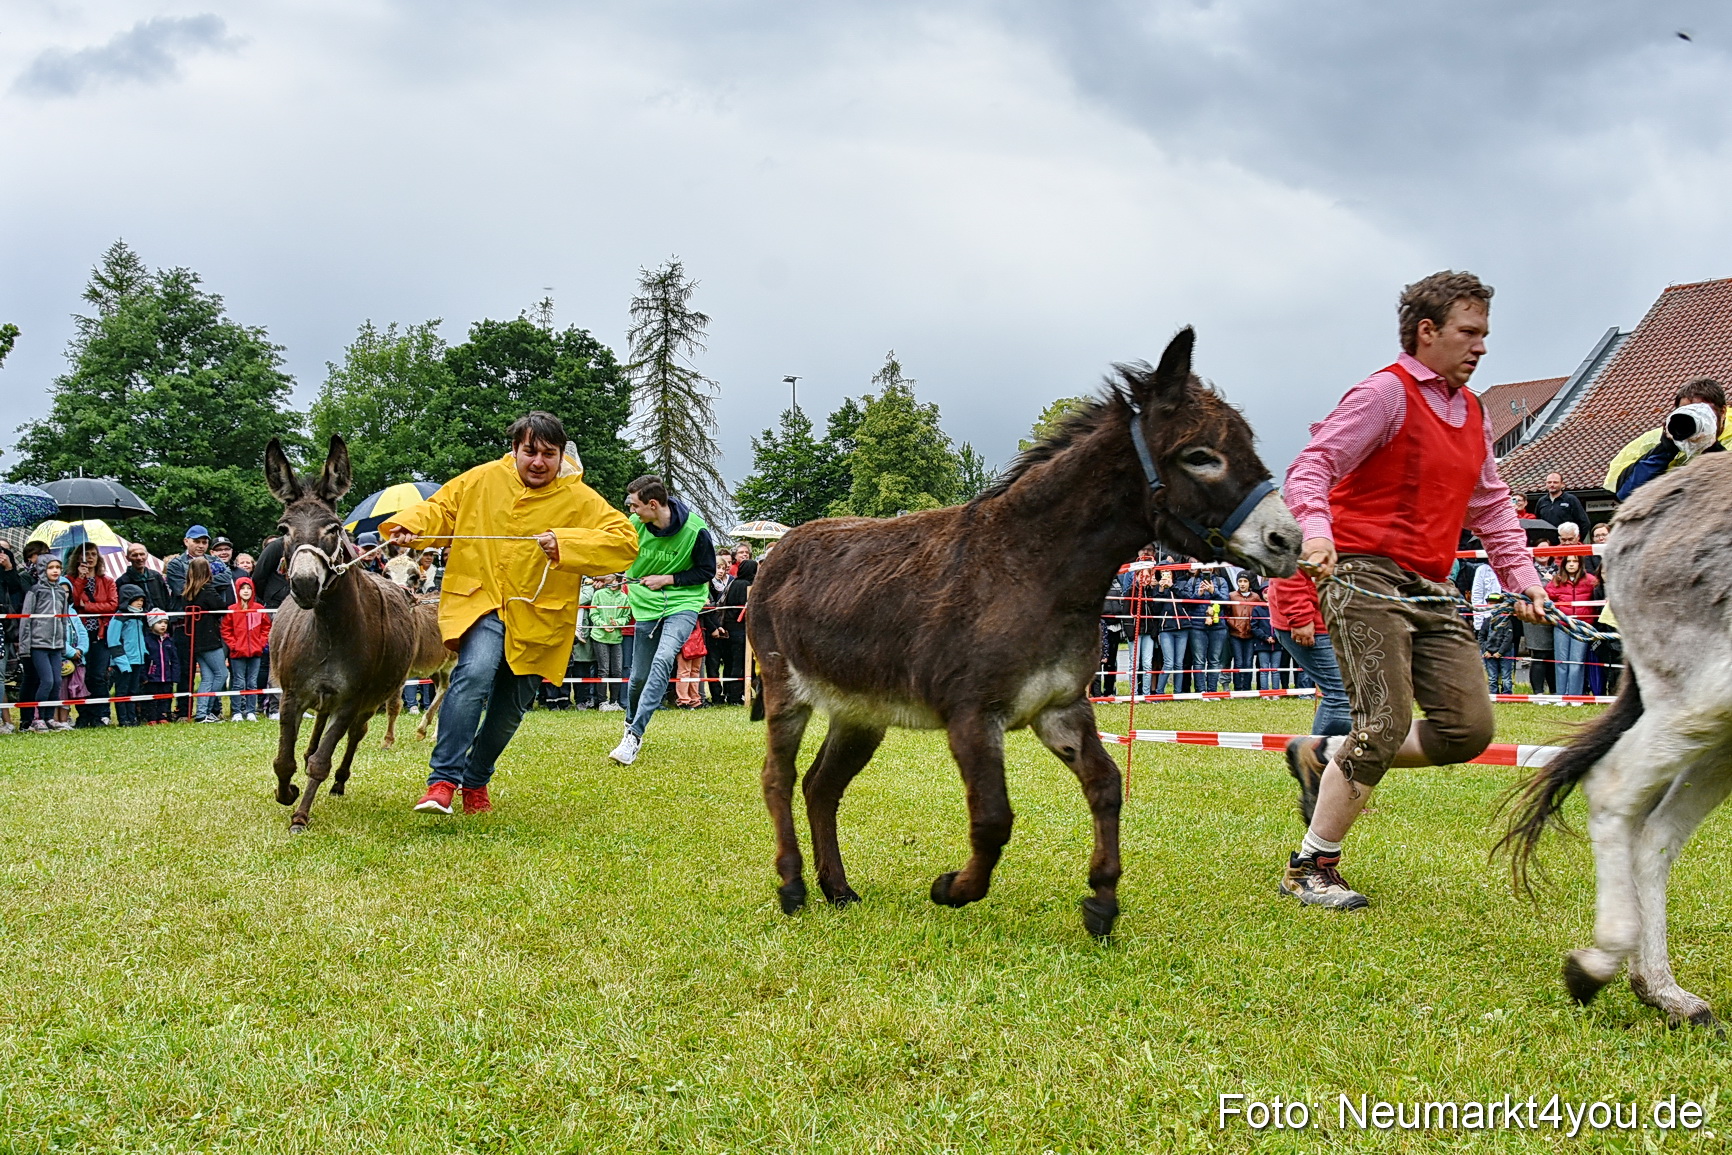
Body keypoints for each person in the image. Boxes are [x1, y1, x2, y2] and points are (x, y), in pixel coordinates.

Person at [1281, 269, 1547, 909]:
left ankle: (1325, 754)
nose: (1481, 346)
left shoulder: (1474, 410)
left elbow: (1490, 504)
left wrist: (1524, 580)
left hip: (1432, 583)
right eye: (1469, 332)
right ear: (1427, 332)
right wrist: (1317, 534)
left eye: (1484, 334)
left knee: (1469, 730)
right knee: (1385, 720)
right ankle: (1310, 866)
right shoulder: (1385, 394)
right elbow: (1311, 468)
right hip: (1364, 571)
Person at [385, 411, 638, 815]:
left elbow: (624, 542)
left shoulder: (579, 497)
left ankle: (476, 779)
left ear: (560, 457)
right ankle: (442, 781)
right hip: (483, 599)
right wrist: (410, 525)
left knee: (509, 709)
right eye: (530, 451)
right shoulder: (481, 479)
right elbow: (441, 511)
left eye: (549, 454)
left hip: (542, 617)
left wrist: (567, 544)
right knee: (474, 673)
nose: (538, 462)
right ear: (515, 449)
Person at [611, 475, 719, 766]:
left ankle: (633, 736)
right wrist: (611, 573)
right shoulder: (634, 526)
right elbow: (617, 556)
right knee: (638, 679)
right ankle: (630, 722)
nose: (631, 510)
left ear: (653, 504)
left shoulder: (696, 530)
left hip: (683, 604)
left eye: (634, 505)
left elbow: (707, 571)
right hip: (646, 607)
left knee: (664, 659)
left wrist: (668, 579)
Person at [1610, 377, 1728, 500]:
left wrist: (1712, 448)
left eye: (1702, 412)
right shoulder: (1657, 442)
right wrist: (1667, 449)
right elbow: (1627, 494)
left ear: (1723, 412)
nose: (1695, 419)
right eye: (1688, 412)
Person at [1267, 574, 1350, 736]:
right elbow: (1286, 565)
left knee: (1356, 694)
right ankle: (1320, 759)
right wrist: (1299, 617)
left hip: (1336, 617)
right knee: (1342, 696)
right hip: (1310, 621)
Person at [164, 526, 232, 720]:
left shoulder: (214, 560)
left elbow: (227, 578)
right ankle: (184, 711)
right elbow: (181, 589)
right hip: (184, 626)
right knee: (187, 671)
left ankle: (210, 711)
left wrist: (199, 581)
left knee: (210, 674)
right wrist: (206, 584)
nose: (201, 545)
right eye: (197, 541)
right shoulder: (177, 563)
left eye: (204, 542)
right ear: (187, 541)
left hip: (210, 626)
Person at [20, 557, 83, 732]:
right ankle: (37, 718)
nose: (55, 571)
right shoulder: (35, 591)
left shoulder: (62, 593)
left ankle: (49, 717)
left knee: (56, 682)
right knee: (46, 681)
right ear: (42, 569)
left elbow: (63, 621)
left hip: (56, 646)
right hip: (38, 644)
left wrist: (63, 644)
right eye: (50, 567)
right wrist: (25, 647)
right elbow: (26, 620)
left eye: (58, 567)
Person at [66, 543, 117, 727]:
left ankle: (102, 714)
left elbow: (112, 605)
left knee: (98, 675)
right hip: (79, 634)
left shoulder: (107, 581)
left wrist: (87, 607)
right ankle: (84, 714)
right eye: (85, 554)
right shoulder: (70, 579)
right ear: (78, 557)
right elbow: (71, 601)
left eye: (93, 554)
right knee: (82, 676)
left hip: (101, 634)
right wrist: (80, 579)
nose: (89, 557)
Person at [181, 557, 232, 722]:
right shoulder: (207, 590)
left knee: (208, 677)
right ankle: (206, 709)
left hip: (195, 639)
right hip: (209, 638)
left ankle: (202, 714)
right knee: (221, 674)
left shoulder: (188, 593)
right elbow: (222, 607)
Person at [1545, 552, 1600, 699]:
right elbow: (1546, 597)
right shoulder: (1557, 580)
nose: (1571, 564)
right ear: (1563, 564)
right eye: (1568, 561)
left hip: (1581, 626)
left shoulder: (1590, 580)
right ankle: (1561, 695)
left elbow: (1599, 592)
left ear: (1580, 564)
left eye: (1574, 561)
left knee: (1577, 662)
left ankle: (1575, 696)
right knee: (1561, 661)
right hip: (1562, 625)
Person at [220, 576, 271, 721]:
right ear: (238, 591)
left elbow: (266, 627)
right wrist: (234, 645)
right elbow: (226, 629)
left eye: (249, 588)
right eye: (243, 588)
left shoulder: (259, 609)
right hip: (237, 653)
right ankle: (237, 711)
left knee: (252, 682)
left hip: (255, 651)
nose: (246, 591)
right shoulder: (232, 610)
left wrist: (261, 643)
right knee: (238, 682)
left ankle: (251, 711)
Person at [106, 584, 149, 726]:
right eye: (137, 600)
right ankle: (123, 719)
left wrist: (144, 655)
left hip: (137, 661)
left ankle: (132, 718)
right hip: (123, 663)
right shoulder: (119, 617)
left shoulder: (138, 617)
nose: (140, 603)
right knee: (122, 691)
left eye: (142, 600)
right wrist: (122, 662)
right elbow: (113, 641)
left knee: (133, 691)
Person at [589, 574, 630, 710]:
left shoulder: (624, 598)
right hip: (600, 636)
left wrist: (617, 623)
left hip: (616, 638)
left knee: (617, 671)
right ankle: (602, 702)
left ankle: (614, 702)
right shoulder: (599, 594)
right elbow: (593, 614)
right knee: (603, 670)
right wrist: (603, 625)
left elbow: (627, 616)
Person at [717, 558, 755, 706]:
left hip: (729, 628)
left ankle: (728, 692)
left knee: (730, 662)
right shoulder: (747, 586)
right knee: (739, 663)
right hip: (740, 629)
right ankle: (735, 696)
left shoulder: (733, 583)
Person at [141, 611, 179, 724]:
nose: (163, 625)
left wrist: (175, 675)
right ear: (151, 624)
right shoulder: (147, 641)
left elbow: (174, 659)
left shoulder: (169, 641)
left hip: (167, 677)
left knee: (166, 697)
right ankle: (151, 717)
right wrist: (144, 676)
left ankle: (163, 716)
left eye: (165, 622)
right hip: (152, 677)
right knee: (152, 698)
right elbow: (144, 660)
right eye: (159, 622)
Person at [1225, 574, 1262, 692]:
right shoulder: (1232, 596)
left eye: (1245, 581)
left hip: (1250, 634)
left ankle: (1247, 688)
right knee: (1238, 661)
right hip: (1235, 633)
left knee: (1248, 662)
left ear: (1249, 583)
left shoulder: (1255, 597)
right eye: (1240, 581)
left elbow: (1259, 613)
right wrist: (1234, 624)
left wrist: (1253, 626)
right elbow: (1226, 613)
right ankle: (1237, 688)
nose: (1242, 584)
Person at [118, 543, 171, 611]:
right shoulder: (122, 581)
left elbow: (167, 600)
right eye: (134, 555)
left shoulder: (156, 576)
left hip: (161, 619)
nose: (139, 558)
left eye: (142, 554)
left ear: (147, 555)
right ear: (127, 558)